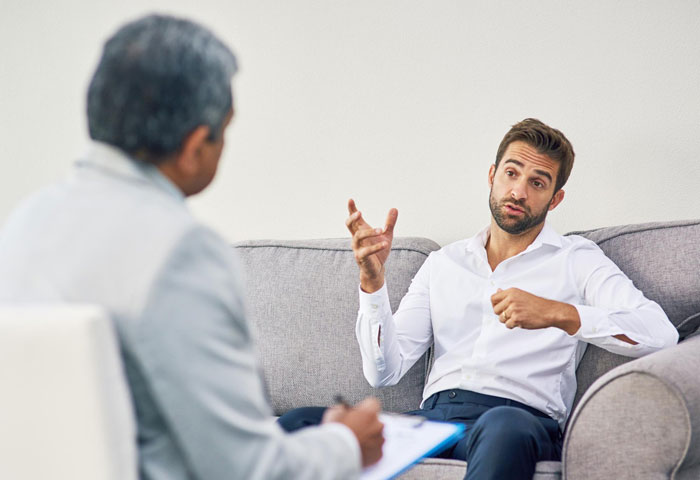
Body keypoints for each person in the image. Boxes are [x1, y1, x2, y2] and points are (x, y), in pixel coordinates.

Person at [0, 14, 384, 480]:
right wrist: (346, 443)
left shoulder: (21, 225)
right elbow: (249, 470)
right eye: (226, 129)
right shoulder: (182, 251)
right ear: (195, 144)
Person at [278, 118, 679, 480]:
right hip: (433, 421)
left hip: (519, 420)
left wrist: (560, 313)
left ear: (555, 199)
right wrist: (372, 282)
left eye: (538, 182)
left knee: (502, 425)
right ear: (492, 176)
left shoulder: (577, 259)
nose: (519, 191)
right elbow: (384, 372)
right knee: (299, 424)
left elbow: (661, 334)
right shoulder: (443, 263)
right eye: (511, 173)